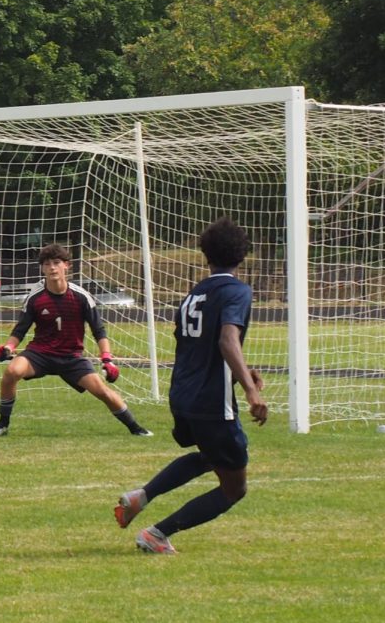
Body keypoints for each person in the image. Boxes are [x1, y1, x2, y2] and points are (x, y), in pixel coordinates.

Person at [113, 217, 268, 554]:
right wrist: (250, 390)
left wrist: (245, 371)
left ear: (205, 254)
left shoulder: (194, 294)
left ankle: (142, 495)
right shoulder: (237, 290)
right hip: (212, 402)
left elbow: (201, 345)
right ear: (243, 255)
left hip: (183, 395)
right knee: (234, 488)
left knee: (209, 457)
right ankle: (157, 534)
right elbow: (227, 341)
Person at [0, 243, 151, 438]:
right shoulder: (35, 297)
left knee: (102, 391)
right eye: (47, 264)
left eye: (57, 263)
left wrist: (107, 359)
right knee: (11, 372)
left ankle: (136, 428)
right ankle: (2, 424)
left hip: (71, 357)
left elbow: (99, 330)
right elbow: (20, 329)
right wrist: (8, 347)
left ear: (67, 265)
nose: (52, 268)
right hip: (40, 353)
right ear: (42, 268)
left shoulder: (81, 296)